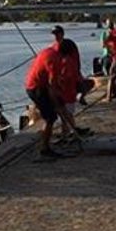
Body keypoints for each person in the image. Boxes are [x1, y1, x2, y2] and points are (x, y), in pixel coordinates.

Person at [25, 31, 83, 159]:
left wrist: (59, 99)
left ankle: (72, 132)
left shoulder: (50, 51)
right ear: (67, 54)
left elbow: (53, 84)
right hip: (36, 88)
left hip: (40, 84)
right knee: (51, 117)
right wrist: (56, 102)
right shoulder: (55, 60)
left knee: (60, 105)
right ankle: (44, 148)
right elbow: (51, 86)